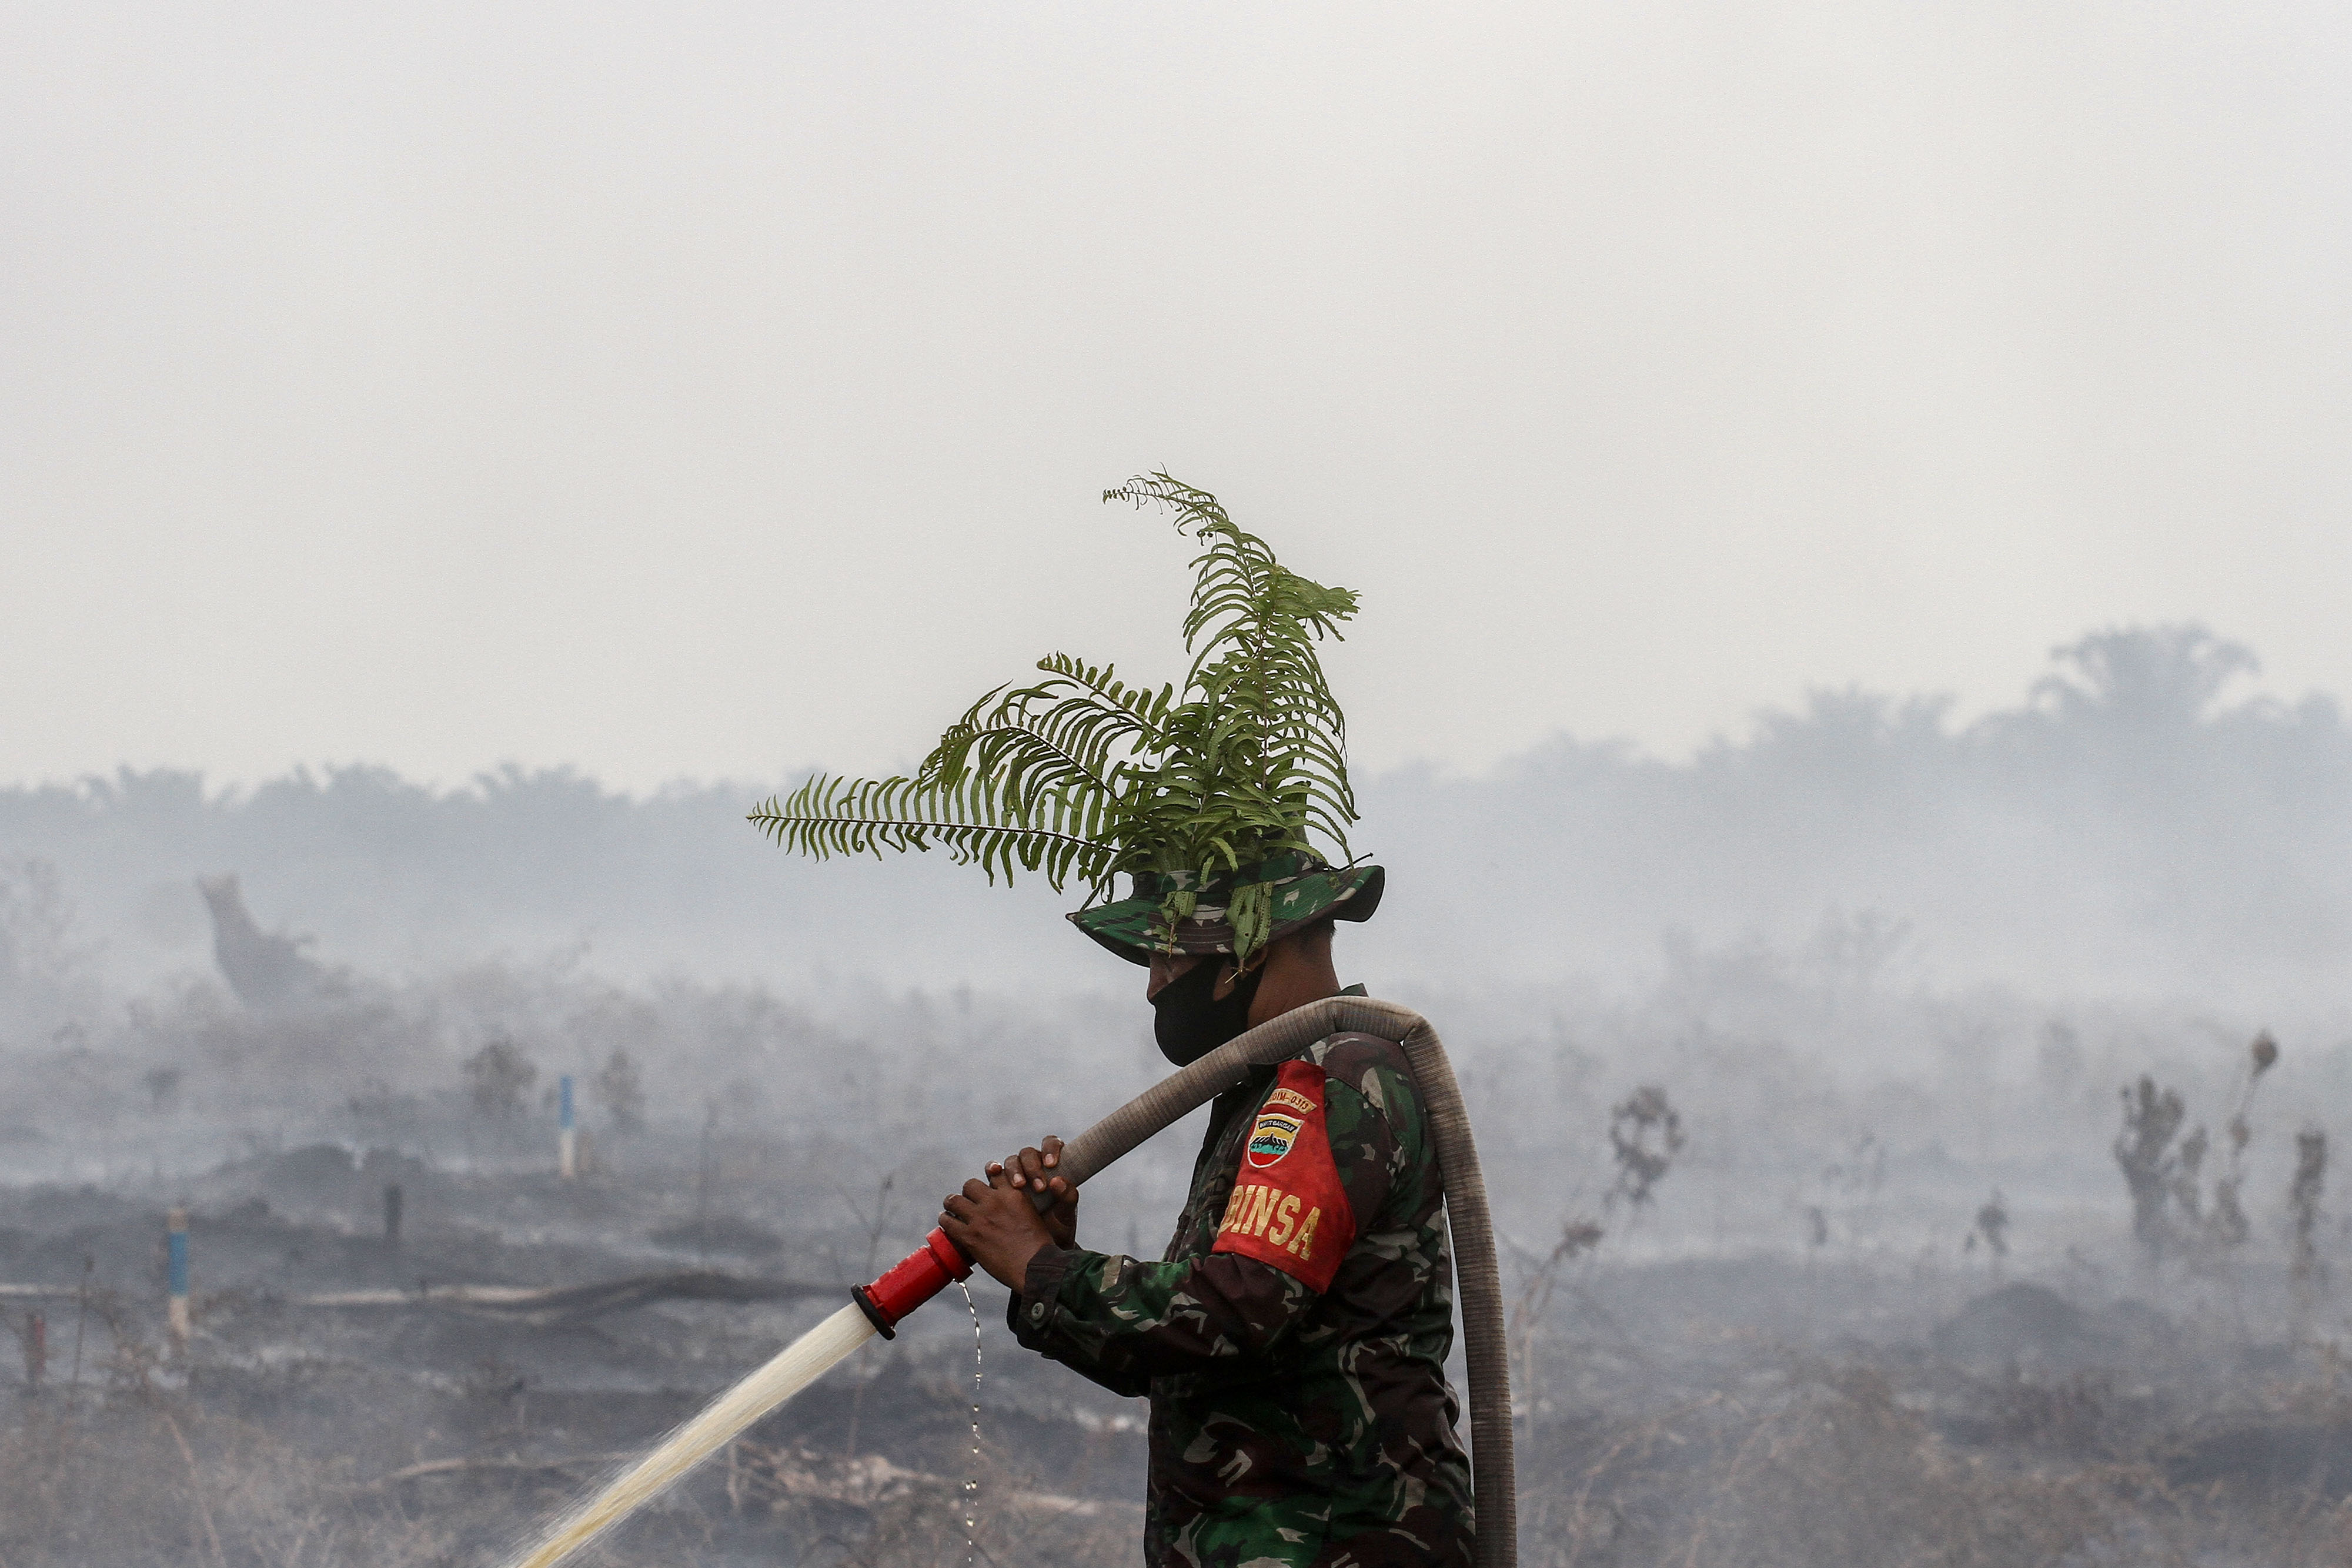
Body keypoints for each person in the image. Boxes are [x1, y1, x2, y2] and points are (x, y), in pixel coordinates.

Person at [939, 854, 1474, 1568]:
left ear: (1247, 950)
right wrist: (1053, 1258)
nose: (1156, 987)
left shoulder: (1326, 1085)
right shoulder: (1273, 1085)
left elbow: (1233, 1310)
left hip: (1331, 1542)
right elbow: (1191, 1353)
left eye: (1170, 959)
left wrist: (1040, 1268)